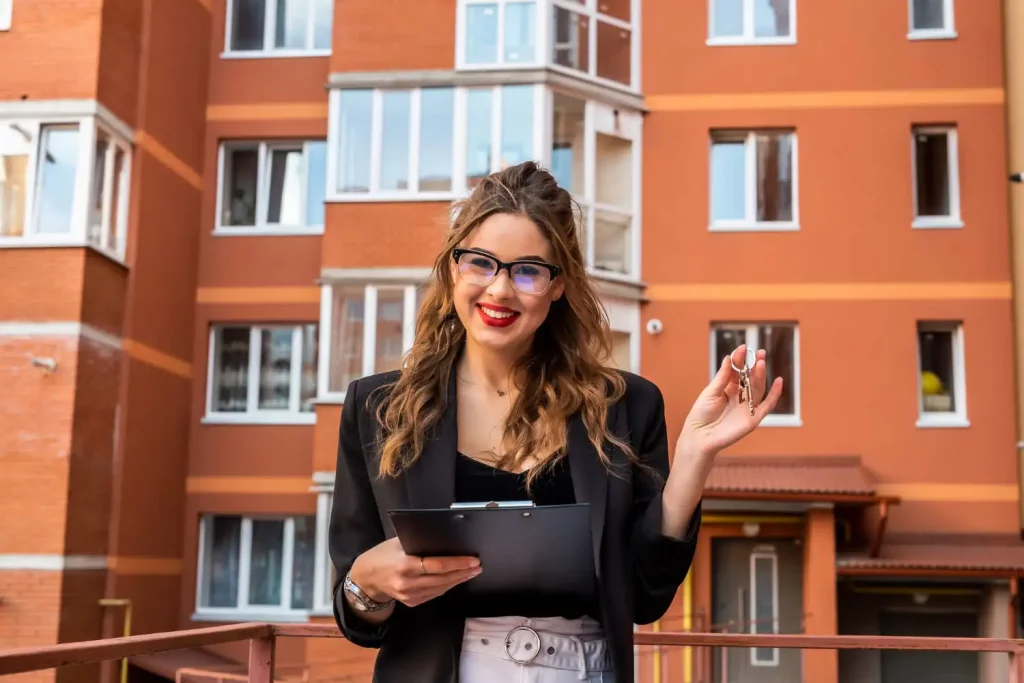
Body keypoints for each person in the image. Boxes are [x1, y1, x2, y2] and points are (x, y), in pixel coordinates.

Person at [329, 161, 783, 683]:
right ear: (454, 268)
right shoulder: (377, 408)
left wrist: (693, 460)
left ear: (558, 285)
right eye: (481, 262)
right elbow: (359, 619)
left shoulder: (628, 405)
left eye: (527, 270)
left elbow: (642, 597)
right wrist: (367, 582)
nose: (500, 290)